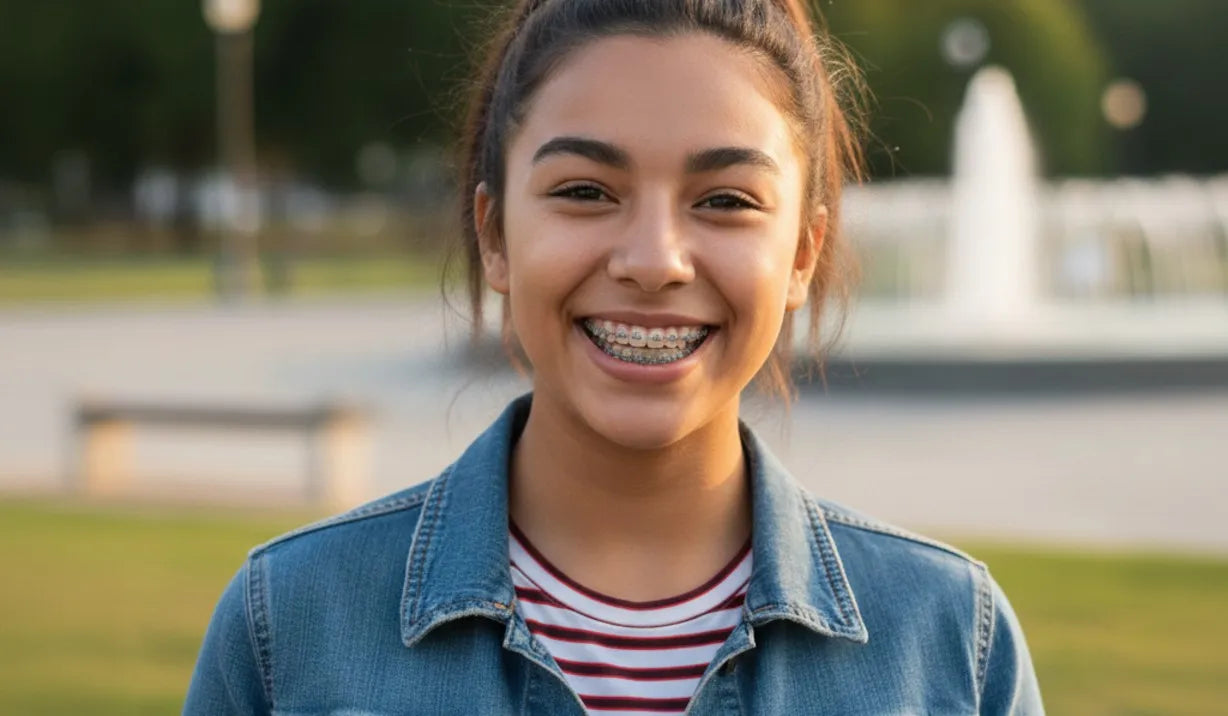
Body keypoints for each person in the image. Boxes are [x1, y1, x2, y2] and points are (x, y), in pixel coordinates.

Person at [185, 0, 1044, 713]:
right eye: (586, 192)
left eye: (726, 200)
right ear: (494, 236)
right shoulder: (290, 624)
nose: (654, 259)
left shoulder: (950, 646)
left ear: (802, 256)